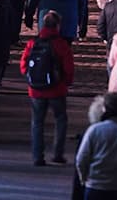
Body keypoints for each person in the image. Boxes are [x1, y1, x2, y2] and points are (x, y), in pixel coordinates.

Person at [20, 11, 75, 166]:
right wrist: (67, 83)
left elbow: (24, 65)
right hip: (57, 89)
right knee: (60, 119)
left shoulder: (33, 43)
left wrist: (31, 78)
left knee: (37, 122)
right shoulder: (61, 44)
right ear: (58, 26)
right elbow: (68, 68)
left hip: (36, 90)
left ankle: (38, 155)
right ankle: (58, 153)